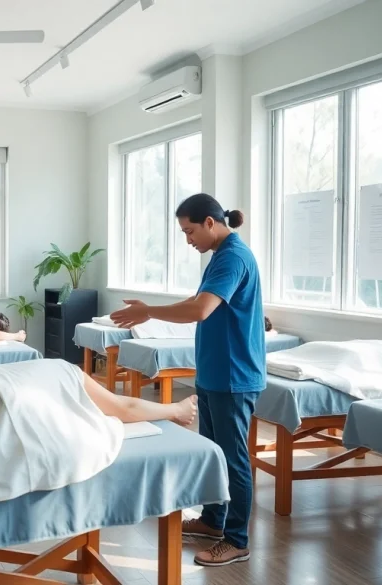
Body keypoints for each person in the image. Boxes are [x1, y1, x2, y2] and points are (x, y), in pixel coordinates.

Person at [110, 193, 262, 568]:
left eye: (189, 231)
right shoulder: (219, 257)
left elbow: (200, 309)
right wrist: (149, 312)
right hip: (215, 372)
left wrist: (149, 312)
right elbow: (196, 300)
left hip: (234, 376)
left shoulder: (234, 257)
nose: (188, 239)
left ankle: (237, 540)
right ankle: (213, 521)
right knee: (213, 452)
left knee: (233, 460)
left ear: (210, 222)